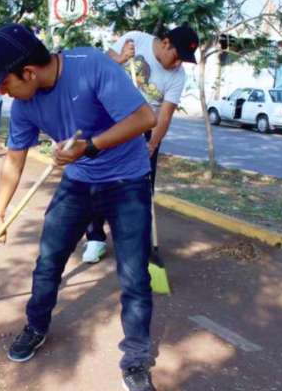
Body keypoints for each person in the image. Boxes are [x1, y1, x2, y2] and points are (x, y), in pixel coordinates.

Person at [0, 24, 158, 391]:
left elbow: (145, 119)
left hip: (127, 181)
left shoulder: (90, 65)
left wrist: (89, 147)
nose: (1, 91)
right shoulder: (25, 104)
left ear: (28, 72)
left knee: (134, 277)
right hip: (78, 183)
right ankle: (35, 326)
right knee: (48, 261)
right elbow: (14, 159)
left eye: (3, 83)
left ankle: (136, 362)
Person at [81, 24, 199, 264]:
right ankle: (95, 238)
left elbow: (164, 115)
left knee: (142, 189)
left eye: (183, 61)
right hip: (110, 123)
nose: (178, 64)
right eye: (177, 57)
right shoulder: (136, 40)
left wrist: (152, 145)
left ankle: (136, 244)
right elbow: (104, 64)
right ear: (166, 43)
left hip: (145, 132)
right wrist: (122, 57)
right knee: (98, 181)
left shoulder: (178, 76)